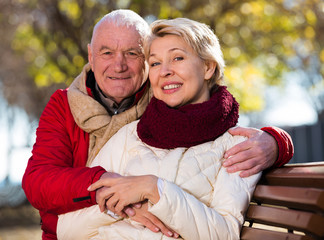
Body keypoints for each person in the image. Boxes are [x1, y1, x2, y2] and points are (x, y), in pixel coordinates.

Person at [22, 9, 293, 240]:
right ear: (91, 56)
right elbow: (40, 183)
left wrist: (276, 143)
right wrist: (116, 195)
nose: (119, 65)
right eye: (106, 52)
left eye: (131, 53)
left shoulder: (165, 98)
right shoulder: (75, 110)